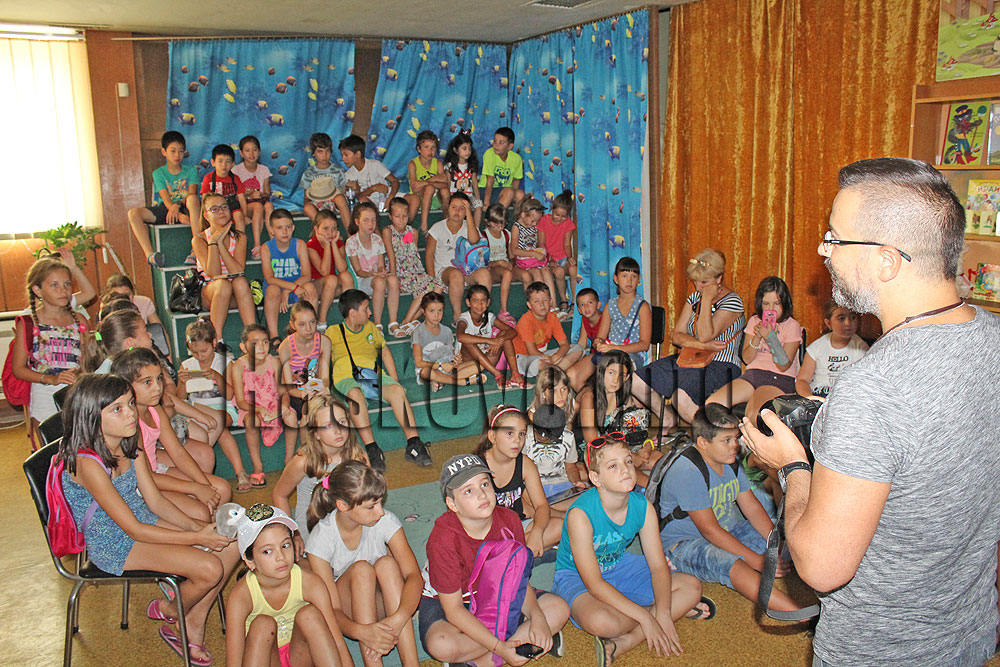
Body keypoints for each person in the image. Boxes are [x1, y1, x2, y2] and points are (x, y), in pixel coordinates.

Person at [740, 157, 1000, 666]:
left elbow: (821, 567)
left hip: (881, 651)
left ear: (886, 261)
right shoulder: (992, 336)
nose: (824, 251)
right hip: (969, 630)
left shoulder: (873, 387)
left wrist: (791, 466)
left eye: (835, 238)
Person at [58, 374, 239, 666]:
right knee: (210, 568)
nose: (131, 413)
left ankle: (189, 622)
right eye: (117, 409)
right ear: (92, 417)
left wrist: (198, 528)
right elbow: (132, 530)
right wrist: (196, 538)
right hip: (114, 544)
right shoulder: (87, 463)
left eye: (130, 403)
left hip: (142, 519)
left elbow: (154, 501)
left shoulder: (130, 439)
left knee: (232, 543)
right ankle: (170, 610)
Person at [553, 433, 707, 666]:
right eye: (612, 466)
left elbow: (658, 566)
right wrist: (648, 615)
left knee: (692, 586)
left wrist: (664, 613)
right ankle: (656, 612)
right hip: (576, 576)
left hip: (619, 565)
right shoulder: (580, 515)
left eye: (627, 461)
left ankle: (628, 640)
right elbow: (594, 584)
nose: (625, 469)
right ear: (595, 478)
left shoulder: (643, 506)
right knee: (601, 622)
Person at [419, 453, 571, 666]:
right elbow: (453, 610)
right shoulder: (442, 539)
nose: (482, 495)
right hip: (452, 602)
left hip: (500, 594)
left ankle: (476, 661)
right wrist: (499, 647)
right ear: (452, 504)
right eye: (468, 491)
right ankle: (519, 642)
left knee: (559, 608)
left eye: (485, 484)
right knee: (442, 644)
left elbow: (518, 581)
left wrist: (537, 617)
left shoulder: (509, 520)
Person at [659, 405, 805, 612]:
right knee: (733, 565)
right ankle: (802, 615)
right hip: (684, 544)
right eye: (726, 440)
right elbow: (710, 531)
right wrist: (758, 562)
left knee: (793, 535)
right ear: (703, 443)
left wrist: (776, 544)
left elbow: (751, 507)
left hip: (728, 530)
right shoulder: (688, 471)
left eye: (736, 438)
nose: (735, 446)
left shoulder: (729, 461)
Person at [306, 461, 423, 667]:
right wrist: (361, 632)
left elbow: (414, 576)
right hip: (348, 614)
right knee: (362, 570)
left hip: (385, 607)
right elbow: (331, 610)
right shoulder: (321, 538)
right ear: (343, 506)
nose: (380, 512)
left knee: (387, 564)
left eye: (380, 503)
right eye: (371, 506)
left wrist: (400, 618)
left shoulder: (385, 521)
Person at [110, 347, 232, 522]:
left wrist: (204, 485)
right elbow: (145, 478)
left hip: (156, 471)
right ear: (126, 386)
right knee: (200, 513)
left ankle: (211, 533)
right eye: (147, 382)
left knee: (221, 489)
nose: (157, 387)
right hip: (139, 486)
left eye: (159, 378)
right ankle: (202, 534)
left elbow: (177, 452)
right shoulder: (130, 423)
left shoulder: (155, 410)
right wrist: (194, 488)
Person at [225, 503, 350, 667]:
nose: (281, 557)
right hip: (266, 659)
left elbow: (336, 641)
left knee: (310, 614)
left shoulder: (310, 583)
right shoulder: (241, 596)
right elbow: (234, 661)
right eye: (267, 551)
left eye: (285, 545)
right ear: (250, 561)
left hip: (301, 656)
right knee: (262, 625)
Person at [632, 248, 745, 429]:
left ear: (719, 279)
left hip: (721, 365)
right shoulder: (694, 298)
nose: (698, 287)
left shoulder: (733, 301)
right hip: (691, 358)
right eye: (695, 281)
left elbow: (706, 334)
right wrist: (701, 345)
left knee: (681, 398)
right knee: (636, 381)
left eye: (704, 282)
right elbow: (677, 336)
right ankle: (666, 418)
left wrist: (706, 300)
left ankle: (713, 435)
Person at [325, 289, 432, 470]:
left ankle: (414, 443)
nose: (370, 313)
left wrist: (394, 379)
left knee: (397, 391)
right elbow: (321, 358)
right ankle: (372, 449)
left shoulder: (371, 328)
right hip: (346, 377)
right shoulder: (333, 332)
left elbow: (384, 351)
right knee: (355, 395)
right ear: (352, 312)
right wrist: (324, 386)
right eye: (366, 309)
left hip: (372, 376)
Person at [12, 253, 94, 431]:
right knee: (53, 445)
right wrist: (52, 379)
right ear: (38, 291)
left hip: (77, 394)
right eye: (54, 285)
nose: (63, 290)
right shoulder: (28, 323)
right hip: (44, 398)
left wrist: (82, 372)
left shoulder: (79, 320)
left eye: (67, 284)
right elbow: (18, 369)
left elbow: (89, 358)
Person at [273, 395, 368, 546]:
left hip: (347, 522)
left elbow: (368, 492)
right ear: (315, 433)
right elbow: (279, 495)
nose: (338, 430)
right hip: (313, 527)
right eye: (328, 426)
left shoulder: (357, 454)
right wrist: (293, 534)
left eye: (342, 422)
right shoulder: (303, 461)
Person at [706, 275, 802, 421]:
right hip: (752, 376)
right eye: (766, 304)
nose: (771, 309)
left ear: (785, 303)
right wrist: (757, 336)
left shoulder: (792, 325)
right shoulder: (754, 321)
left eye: (776, 304)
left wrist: (771, 338)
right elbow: (747, 358)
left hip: (777, 379)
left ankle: (747, 434)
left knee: (754, 414)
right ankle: (729, 434)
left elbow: (783, 365)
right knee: (712, 406)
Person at [176, 318, 247, 492]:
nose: (200, 356)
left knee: (218, 423)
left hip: (223, 407)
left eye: (204, 351)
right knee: (218, 430)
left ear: (214, 343)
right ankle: (239, 473)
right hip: (196, 408)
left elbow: (230, 395)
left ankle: (202, 470)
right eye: (194, 352)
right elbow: (180, 398)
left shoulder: (225, 363)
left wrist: (217, 377)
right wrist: (183, 382)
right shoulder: (187, 365)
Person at [126, 130, 200, 266]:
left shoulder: (191, 170)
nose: (177, 155)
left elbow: (191, 193)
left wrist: (178, 206)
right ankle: (150, 255)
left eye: (181, 151)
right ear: (163, 152)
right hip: (167, 208)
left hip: (187, 207)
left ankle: (196, 249)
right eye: (173, 151)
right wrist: (177, 214)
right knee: (133, 213)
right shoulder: (158, 173)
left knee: (193, 199)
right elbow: (165, 199)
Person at [191, 193, 257, 342]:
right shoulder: (199, 239)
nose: (221, 211)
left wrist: (220, 243)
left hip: (233, 293)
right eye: (214, 209)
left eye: (224, 207)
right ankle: (217, 339)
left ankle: (253, 336)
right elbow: (213, 274)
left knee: (240, 282)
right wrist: (213, 242)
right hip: (210, 292)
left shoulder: (239, 237)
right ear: (206, 216)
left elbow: (238, 271)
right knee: (222, 284)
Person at [229, 323, 286, 488]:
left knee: (292, 416)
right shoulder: (238, 366)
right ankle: (257, 466)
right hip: (250, 406)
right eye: (255, 343)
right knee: (252, 421)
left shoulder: (275, 362)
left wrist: (282, 407)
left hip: (272, 403)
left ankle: (290, 459)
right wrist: (259, 409)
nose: (261, 347)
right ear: (243, 347)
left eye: (265, 342)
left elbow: (283, 392)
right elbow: (241, 401)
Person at [425, 192, 493, 324]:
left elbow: (474, 240)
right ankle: (458, 316)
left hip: (468, 271)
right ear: (448, 208)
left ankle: (479, 313)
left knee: (484, 274)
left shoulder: (470, 226)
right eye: (453, 207)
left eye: (462, 208)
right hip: (445, 272)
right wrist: (432, 278)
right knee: (456, 274)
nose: (457, 212)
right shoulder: (437, 228)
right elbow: (429, 254)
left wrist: (469, 215)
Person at [382, 196, 443, 337]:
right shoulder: (388, 231)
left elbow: (414, 255)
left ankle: (409, 320)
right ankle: (407, 321)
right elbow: (391, 255)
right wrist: (394, 275)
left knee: (438, 288)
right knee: (424, 291)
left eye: (404, 216)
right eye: (397, 216)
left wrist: (421, 274)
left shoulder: (413, 232)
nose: (401, 220)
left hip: (415, 272)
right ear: (390, 216)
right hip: (399, 272)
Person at [278, 301, 330, 464]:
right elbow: (288, 387)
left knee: (323, 406)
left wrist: (324, 388)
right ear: (292, 325)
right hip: (294, 392)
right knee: (307, 408)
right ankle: (303, 454)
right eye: (302, 324)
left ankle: (318, 454)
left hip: (314, 388)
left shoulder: (324, 342)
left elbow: (325, 377)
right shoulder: (286, 346)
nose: (308, 329)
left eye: (312, 322)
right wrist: (302, 393)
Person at [262, 209, 318, 346]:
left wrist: (289, 290)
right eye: (279, 228)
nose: (285, 231)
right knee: (272, 290)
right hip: (277, 288)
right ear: (272, 230)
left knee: (310, 287)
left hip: (296, 287)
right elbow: (269, 278)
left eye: (288, 227)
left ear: (293, 227)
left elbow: (307, 275)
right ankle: (274, 336)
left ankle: (310, 331)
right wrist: (292, 287)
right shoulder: (267, 248)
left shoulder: (299, 244)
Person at [588, 256, 651, 378]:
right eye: (624, 276)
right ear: (616, 279)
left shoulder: (642, 307)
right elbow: (600, 337)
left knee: (612, 372)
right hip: (610, 353)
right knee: (575, 374)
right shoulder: (610, 305)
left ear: (638, 279)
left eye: (633, 276)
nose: (629, 280)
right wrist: (598, 343)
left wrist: (617, 348)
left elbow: (644, 345)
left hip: (633, 355)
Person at [455, 284, 525, 390]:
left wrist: (499, 340)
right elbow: (460, 337)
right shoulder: (464, 318)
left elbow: (512, 331)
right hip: (466, 363)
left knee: (505, 337)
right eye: (475, 301)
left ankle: (515, 374)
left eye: (483, 301)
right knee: (468, 341)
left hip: (486, 363)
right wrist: (490, 341)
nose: (480, 304)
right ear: (468, 302)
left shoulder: (489, 317)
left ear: (488, 302)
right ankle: (498, 374)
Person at [411, 292, 486, 390]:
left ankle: (442, 380)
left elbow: (450, 355)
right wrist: (441, 366)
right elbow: (419, 363)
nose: (436, 315)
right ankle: (462, 382)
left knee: (480, 364)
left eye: (440, 310)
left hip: (447, 368)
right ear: (423, 311)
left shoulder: (447, 331)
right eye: (431, 311)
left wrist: (456, 360)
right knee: (426, 372)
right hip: (430, 369)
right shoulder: (418, 332)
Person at [346, 201, 400, 336]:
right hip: (362, 281)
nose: (370, 224)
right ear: (357, 222)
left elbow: (381, 264)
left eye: (373, 220)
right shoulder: (352, 242)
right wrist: (375, 275)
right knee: (380, 282)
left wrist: (382, 271)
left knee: (393, 279)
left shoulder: (377, 240)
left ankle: (393, 322)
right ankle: (377, 324)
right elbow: (359, 271)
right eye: (366, 220)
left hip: (375, 277)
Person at [795, 300, 868, 398]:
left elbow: (864, 381)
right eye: (841, 318)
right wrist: (811, 398)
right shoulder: (817, 347)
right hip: (820, 394)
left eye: (853, 317)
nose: (848, 323)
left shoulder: (861, 348)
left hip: (847, 396)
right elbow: (802, 380)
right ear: (828, 323)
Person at [514, 282, 582, 379]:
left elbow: (565, 344)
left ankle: (552, 373)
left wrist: (555, 357)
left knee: (578, 349)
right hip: (525, 358)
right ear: (529, 305)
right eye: (536, 301)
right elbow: (532, 351)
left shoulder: (553, 318)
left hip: (545, 356)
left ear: (550, 301)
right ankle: (555, 371)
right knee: (539, 362)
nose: (542, 304)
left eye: (545, 300)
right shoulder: (526, 321)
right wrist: (551, 359)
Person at [510, 198, 560, 316]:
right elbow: (514, 250)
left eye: (537, 221)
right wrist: (533, 253)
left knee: (546, 270)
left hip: (534, 260)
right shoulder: (516, 227)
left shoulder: (534, 226)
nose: (535, 224)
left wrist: (540, 252)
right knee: (537, 273)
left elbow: (537, 244)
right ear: (523, 214)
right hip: (523, 262)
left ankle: (553, 305)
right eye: (533, 221)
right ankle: (541, 306)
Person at [307, 209, 354, 326]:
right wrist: (327, 246)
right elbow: (325, 272)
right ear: (316, 229)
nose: (330, 233)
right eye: (326, 228)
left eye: (334, 228)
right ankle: (322, 320)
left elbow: (342, 268)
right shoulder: (311, 246)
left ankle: (350, 317)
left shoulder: (338, 243)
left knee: (346, 276)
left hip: (331, 287)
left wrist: (333, 245)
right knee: (331, 279)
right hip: (315, 287)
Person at [232, 135, 274, 259]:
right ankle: (257, 245)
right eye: (247, 150)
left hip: (260, 202)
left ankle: (274, 241)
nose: (251, 154)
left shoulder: (264, 170)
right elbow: (234, 194)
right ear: (241, 153)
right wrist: (245, 193)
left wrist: (260, 194)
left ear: (259, 151)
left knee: (269, 205)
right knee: (257, 207)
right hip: (245, 205)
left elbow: (267, 193)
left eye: (254, 150)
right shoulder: (235, 170)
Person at [537, 190, 579, 312]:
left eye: (563, 216)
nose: (559, 218)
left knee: (573, 269)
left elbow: (567, 244)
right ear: (552, 209)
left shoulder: (568, 223)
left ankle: (574, 302)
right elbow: (541, 243)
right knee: (559, 272)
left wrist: (570, 258)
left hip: (562, 257)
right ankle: (563, 300)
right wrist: (549, 258)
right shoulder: (544, 220)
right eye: (557, 214)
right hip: (548, 257)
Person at [300, 132, 352, 226]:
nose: (324, 156)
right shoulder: (308, 173)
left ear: (331, 151)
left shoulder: (338, 170)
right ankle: (324, 229)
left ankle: (350, 231)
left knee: (340, 198)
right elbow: (306, 197)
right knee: (307, 207)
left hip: (334, 202)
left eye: (327, 151)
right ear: (313, 153)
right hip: (317, 204)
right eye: (320, 152)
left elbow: (343, 191)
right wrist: (308, 207)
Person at [405, 130, 451, 232]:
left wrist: (427, 181)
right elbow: (415, 188)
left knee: (445, 191)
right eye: (426, 147)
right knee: (429, 188)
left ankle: (447, 220)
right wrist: (434, 180)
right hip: (420, 198)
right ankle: (424, 224)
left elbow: (445, 184)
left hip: (435, 198)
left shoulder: (438, 163)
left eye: (433, 147)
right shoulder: (413, 164)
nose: (430, 151)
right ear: (419, 149)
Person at [340, 134, 399, 212]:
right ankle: (378, 214)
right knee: (362, 200)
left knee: (413, 199)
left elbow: (394, 181)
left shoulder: (375, 165)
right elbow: (358, 198)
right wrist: (372, 189)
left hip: (387, 196)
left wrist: (390, 197)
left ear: (358, 154)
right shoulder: (348, 175)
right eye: (342, 155)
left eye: (346, 155)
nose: (343, 158)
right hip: (371, 203)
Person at [200, 144, 248, 231]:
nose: (224, 165)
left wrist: (245, 216)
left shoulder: (235, 179)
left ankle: (240, 238)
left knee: (238, 215)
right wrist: (203, 220)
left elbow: (241, 199)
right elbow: (205, 200)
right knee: (214, 216)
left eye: (227, 161)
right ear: (213, 162)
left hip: (231, 209)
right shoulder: (208, 178)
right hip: (216, 209)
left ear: (232, 164)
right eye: (220, 161)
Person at [478, 127, 525, 210]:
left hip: (505, 191)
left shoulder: (517, 159)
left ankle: (516, 217)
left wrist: (514, 197)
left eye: (501, 142)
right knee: (509, 192)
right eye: (495, 141)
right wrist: (486, 203)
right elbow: (490, 180)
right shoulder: (489, 154)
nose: (496, 145)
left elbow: (516, 181)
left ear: (510, 146)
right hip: (485, 190)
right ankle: (495, 216)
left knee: (520, 194)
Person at [481, 204, 514, 319]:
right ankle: (503, 310)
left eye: (503, 223)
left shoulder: (507, 234)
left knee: (525, 275)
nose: (500, 227)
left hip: (504, 266)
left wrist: (511, 264)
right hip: (491, 269)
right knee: (507, 273)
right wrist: (499, 263)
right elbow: (482, 263)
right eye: (496, 223)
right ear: (487, 222)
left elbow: (512, 256)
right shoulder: (483, 237)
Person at [443, 131, 484, 225]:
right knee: (455, 207)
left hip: (468, 196)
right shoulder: (449, 166)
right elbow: (447, 183)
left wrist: (478, 198)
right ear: (456, 150)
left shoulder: (471, 166)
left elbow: (474, 183)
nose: (468, 151)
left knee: (478, 206)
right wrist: (449, 199)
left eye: (469, 148)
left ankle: (475, 229)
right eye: (464, 148)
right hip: (454, 195)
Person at [566, 287, 603, 389]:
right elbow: (582, 343)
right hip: (593, 355)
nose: (586, 307)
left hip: (604, 354)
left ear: (598, 305)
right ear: (579, 310)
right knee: (571, 375)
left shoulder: (605, 318)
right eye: (582, 305)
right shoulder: (585, 319)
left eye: (590, 302)